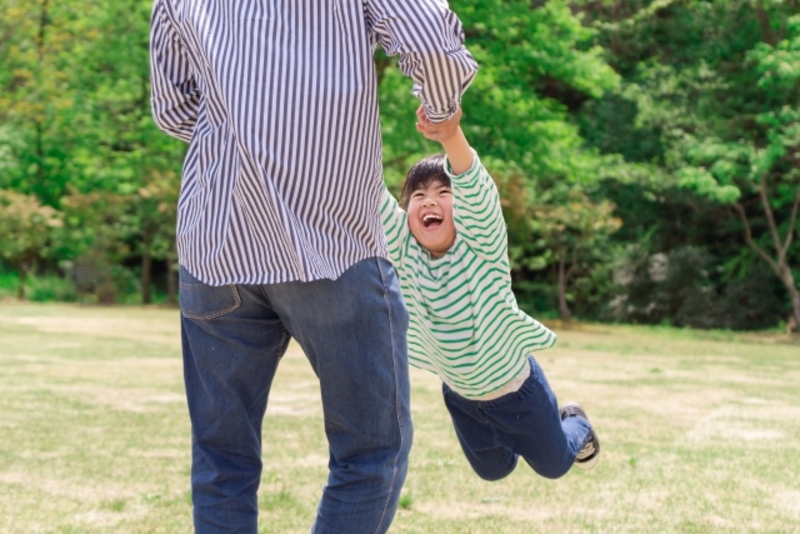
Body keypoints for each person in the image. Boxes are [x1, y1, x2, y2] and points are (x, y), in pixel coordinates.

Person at [149, 1, 478, 532]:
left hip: (217, 241)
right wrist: (441, 113)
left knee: (221, 460)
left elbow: (174, 109)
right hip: (331, 241)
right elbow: (431, 41)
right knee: (371, 453)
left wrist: (242, 128)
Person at [379, 106, 600, 483]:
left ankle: (576, 424)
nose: (429, 200)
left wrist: (450, 136)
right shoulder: (402, 250)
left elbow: (477, 191)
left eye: (443, 191)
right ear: (406, 211)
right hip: (461, 396)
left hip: (517, 393)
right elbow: (365, 194)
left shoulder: (480, 245)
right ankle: (513, 441)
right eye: (418, 194)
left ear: (461, 206)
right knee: (494, 471)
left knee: (554, 465)